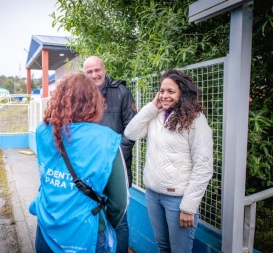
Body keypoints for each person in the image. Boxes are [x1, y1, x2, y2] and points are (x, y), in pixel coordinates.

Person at [29, 73, 128, 253]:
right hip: (86, 234)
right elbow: (119, 202)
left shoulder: (42, 130)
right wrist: (103, 225)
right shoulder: (106, 140)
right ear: (94, 102)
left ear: (58, 99)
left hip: (46, 228)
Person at [124, 69, 213, 253]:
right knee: (163, 248)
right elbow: (130, 133)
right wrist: (152, 106)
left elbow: (203, 166)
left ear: (183, 93)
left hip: (178, 200)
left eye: (170, 91)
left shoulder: (196, 120)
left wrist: (189, 207)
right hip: (153, 194)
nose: (164, 95)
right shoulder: (156, 115)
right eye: (162, 91)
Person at [83, 55, 137, 253]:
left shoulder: (121, 92)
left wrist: (112, 157)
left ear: (104, 69)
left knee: (119, 220)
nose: (94, 75)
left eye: (97, 70)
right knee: (92, 218)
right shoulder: (82, 95)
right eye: (89, 72)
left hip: (116, 167)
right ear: (84, 74)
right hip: (89, 171)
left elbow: (132, 130)